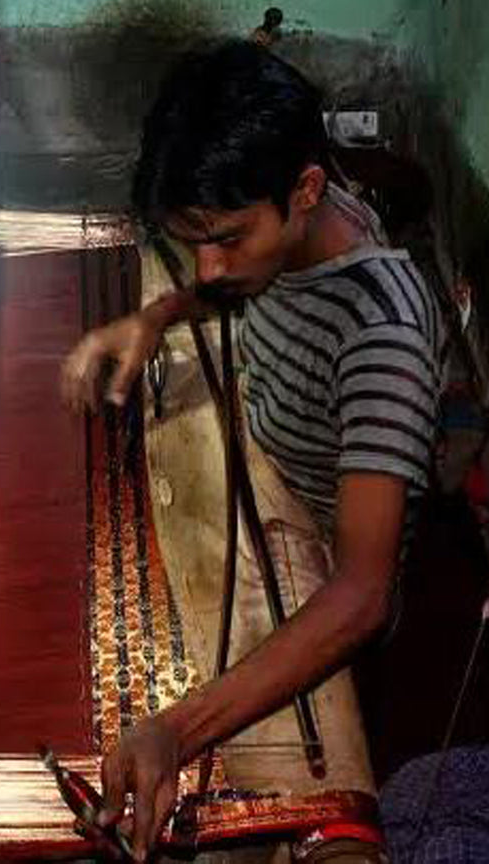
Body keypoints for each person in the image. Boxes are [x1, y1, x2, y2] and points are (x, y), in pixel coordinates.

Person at [61, 40, 444, 861]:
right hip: (269, 454)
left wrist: (176, 728)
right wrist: (156, 318)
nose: (208, 267)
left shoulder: (384, 338)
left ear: (305, 190)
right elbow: (225, 280)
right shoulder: (283, 239)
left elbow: (363, 595)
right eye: (192, 239)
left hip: (321, 544)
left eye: (228, 237)